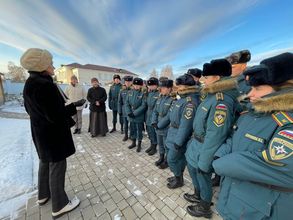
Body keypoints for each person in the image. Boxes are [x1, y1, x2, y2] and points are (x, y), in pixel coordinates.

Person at [213, 52, 293, 220]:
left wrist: (222, 163)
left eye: (257, 89)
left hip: (259, 211)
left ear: (283, 90)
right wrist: (218, 153)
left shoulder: (286, 122)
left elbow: (280, 166)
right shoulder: (251, 114)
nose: (250, 94)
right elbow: (233, 137)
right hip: (235, 202)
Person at [21, 48, 81, 218]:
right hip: (53, 136)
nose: (53, 67)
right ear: (41, 65)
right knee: (57, 165)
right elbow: (55, 114)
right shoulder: (45, 85)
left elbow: (30, 110)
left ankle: (43, 195)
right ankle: (60, 204)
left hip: (41, 133)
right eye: (50, 64)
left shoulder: (30, 83)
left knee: (45, 162)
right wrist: (73, 107)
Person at [184, 59, 240, 218]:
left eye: (206, 77)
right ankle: (198, 195)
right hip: (197, 143)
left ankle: (205, 206)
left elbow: (216, 135)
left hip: (206, 146)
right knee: (194, 170)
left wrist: (205, 160)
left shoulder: (221, 101)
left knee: (203, 174)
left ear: (217, 77)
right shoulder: (211, 95)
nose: (203, 80)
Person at [164, 74, 199, 189]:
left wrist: (178, 141)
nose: (178, 89)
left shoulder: (190, 102)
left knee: (171, 159)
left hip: (179, 134)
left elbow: (186, 125)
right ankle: (177, 176)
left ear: (188, 87)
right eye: (177, 86)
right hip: (173, 132)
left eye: (180, 86)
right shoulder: (182, 99)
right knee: (175, 158)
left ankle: (179, 179)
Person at [151, 79, 174, 169]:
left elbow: (170, 115)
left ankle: (167, 160)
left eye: (163, 88)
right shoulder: (160, 98)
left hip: (166, 127)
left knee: (166, 145)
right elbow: (155, 111)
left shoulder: (173, 99)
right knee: (160, 143)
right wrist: (154, 121)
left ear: (169, 89)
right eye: (161, 88)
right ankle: (161, 157)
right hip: (157, 125)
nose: (161, 89)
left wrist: (159, 125)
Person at [126, 77, 147, 152]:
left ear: (141, 85)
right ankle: (133, 142)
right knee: (132, 129)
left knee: (139, 131)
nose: (136, 86)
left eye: (138, 85)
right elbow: (126, 103)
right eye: (135, 85)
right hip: (131, 115)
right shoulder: (130, 92)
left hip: (139, 116)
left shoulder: (143, 94)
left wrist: (134, 113)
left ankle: (139, 145)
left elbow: (143, 105)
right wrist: (128, 112)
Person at [145, 77, 160, 156]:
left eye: (152, 85)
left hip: (155, 116)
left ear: (156, 85)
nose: (150, 87)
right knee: (150, 131)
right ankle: (152, 144)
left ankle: (155, 147)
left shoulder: (159, 94)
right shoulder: (149, 93)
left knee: (154, 132)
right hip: (148, 115)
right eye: (149, 85)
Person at [118, 75, 133, 141]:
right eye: (126, 81)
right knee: (125, 124)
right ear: (125, 82)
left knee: (132, 124)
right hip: (124, 110)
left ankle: (132, 135)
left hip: (132, 110)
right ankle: (126, 135)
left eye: (129, 82)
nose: (128, 83)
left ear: (131, 82)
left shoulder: (134, 90)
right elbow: (119, 102)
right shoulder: (122, 91)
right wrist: (119, 111)